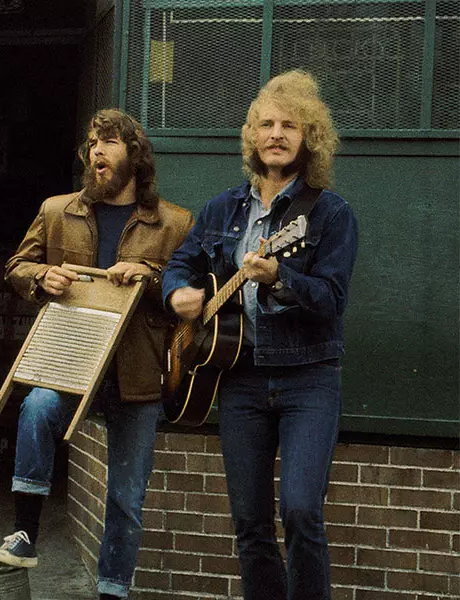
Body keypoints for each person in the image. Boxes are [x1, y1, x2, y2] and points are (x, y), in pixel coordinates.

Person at [162, 70, 358, 600]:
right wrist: (178, 292)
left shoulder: (330, 214)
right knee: (249, 523)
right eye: (266, 124)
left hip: (307, 378)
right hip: (239, 379)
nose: (276, 133)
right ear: (252, 136)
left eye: (290, 125)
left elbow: (332, 300)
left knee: (300, 510)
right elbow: (179, 264)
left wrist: (282, 278)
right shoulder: (222, 208)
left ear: (309, 137)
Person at [0, 108, 194, 600]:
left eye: (110, 143)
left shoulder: (174, 223)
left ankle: (111, 592)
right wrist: (40, 277)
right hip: (71, 363)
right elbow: (17, 265)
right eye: (92, 143)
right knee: (36, 405)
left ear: (135, 157)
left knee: (125, 499)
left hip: (138, 374)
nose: (97, 151)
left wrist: (151, 275)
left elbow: (190, 296)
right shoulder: (59, 211)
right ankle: (23, 534)